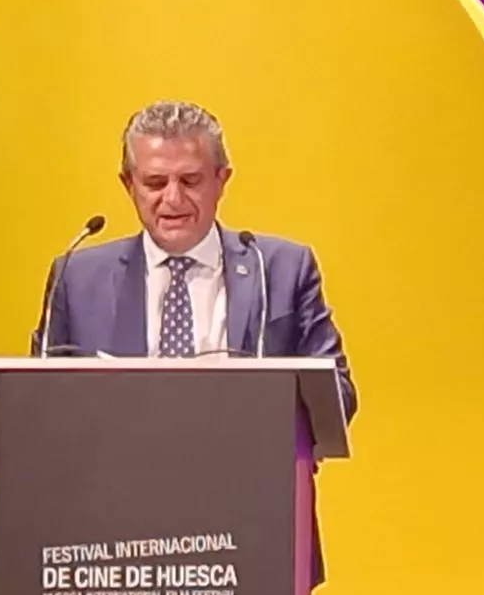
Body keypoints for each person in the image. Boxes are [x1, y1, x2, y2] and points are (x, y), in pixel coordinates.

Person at [36, 100, 356, 418]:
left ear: (221, 181)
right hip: (117, 466)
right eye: (155, 183)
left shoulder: (280, 269)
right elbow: (37, 401)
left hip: (243, 464)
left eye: (190, 181)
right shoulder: (76, 278)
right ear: (129, 185)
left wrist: (266, 403)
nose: (173, 200)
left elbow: (339, 397)